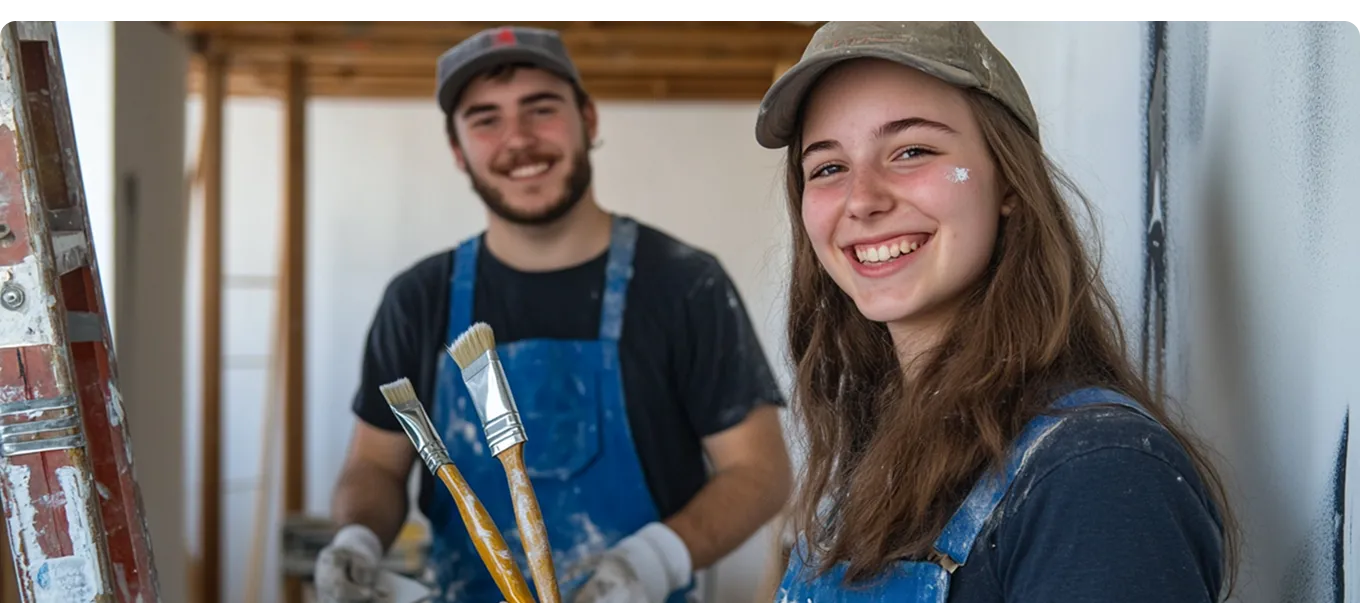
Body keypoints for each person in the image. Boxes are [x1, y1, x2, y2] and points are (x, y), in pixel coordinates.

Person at [753, 20, 1239, 602]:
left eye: (912, 151)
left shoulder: (1094, 475)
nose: (862, 199)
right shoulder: (867, 464)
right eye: (828, 167)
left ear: (1007, 178)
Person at [312, 25, 793, 603]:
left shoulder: (686, 284)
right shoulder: (418, 299)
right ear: (458, 151)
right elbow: (376, 464)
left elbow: (761, 473)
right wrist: (358, 540)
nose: (518, 139)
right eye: (485, 119)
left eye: (540, 109)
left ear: (588, 121)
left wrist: (652, 562)